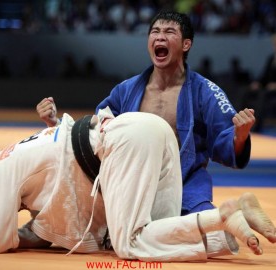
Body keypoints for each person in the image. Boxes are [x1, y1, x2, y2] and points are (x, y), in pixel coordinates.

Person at [37, 9, 256, 258]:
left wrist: (240, 135)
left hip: (186, 186)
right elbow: (97, 135)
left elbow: (226, 141)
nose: (160, 37)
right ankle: (236, 215)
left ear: (186, 44)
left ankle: (236, 218)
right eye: (155, 32)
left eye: (169, 32)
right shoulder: (126, 90)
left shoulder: (206, 91)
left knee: (208, 238)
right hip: (132, 183)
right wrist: (55, 125)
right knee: (67, 225)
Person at [0, 108, 275, 261]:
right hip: (150, 128)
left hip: (123, 144)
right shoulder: (17, 158)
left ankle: (220, 216)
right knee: (161, 230)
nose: (17, 208)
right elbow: (41, 229)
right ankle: (235, 226)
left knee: (129, 243)